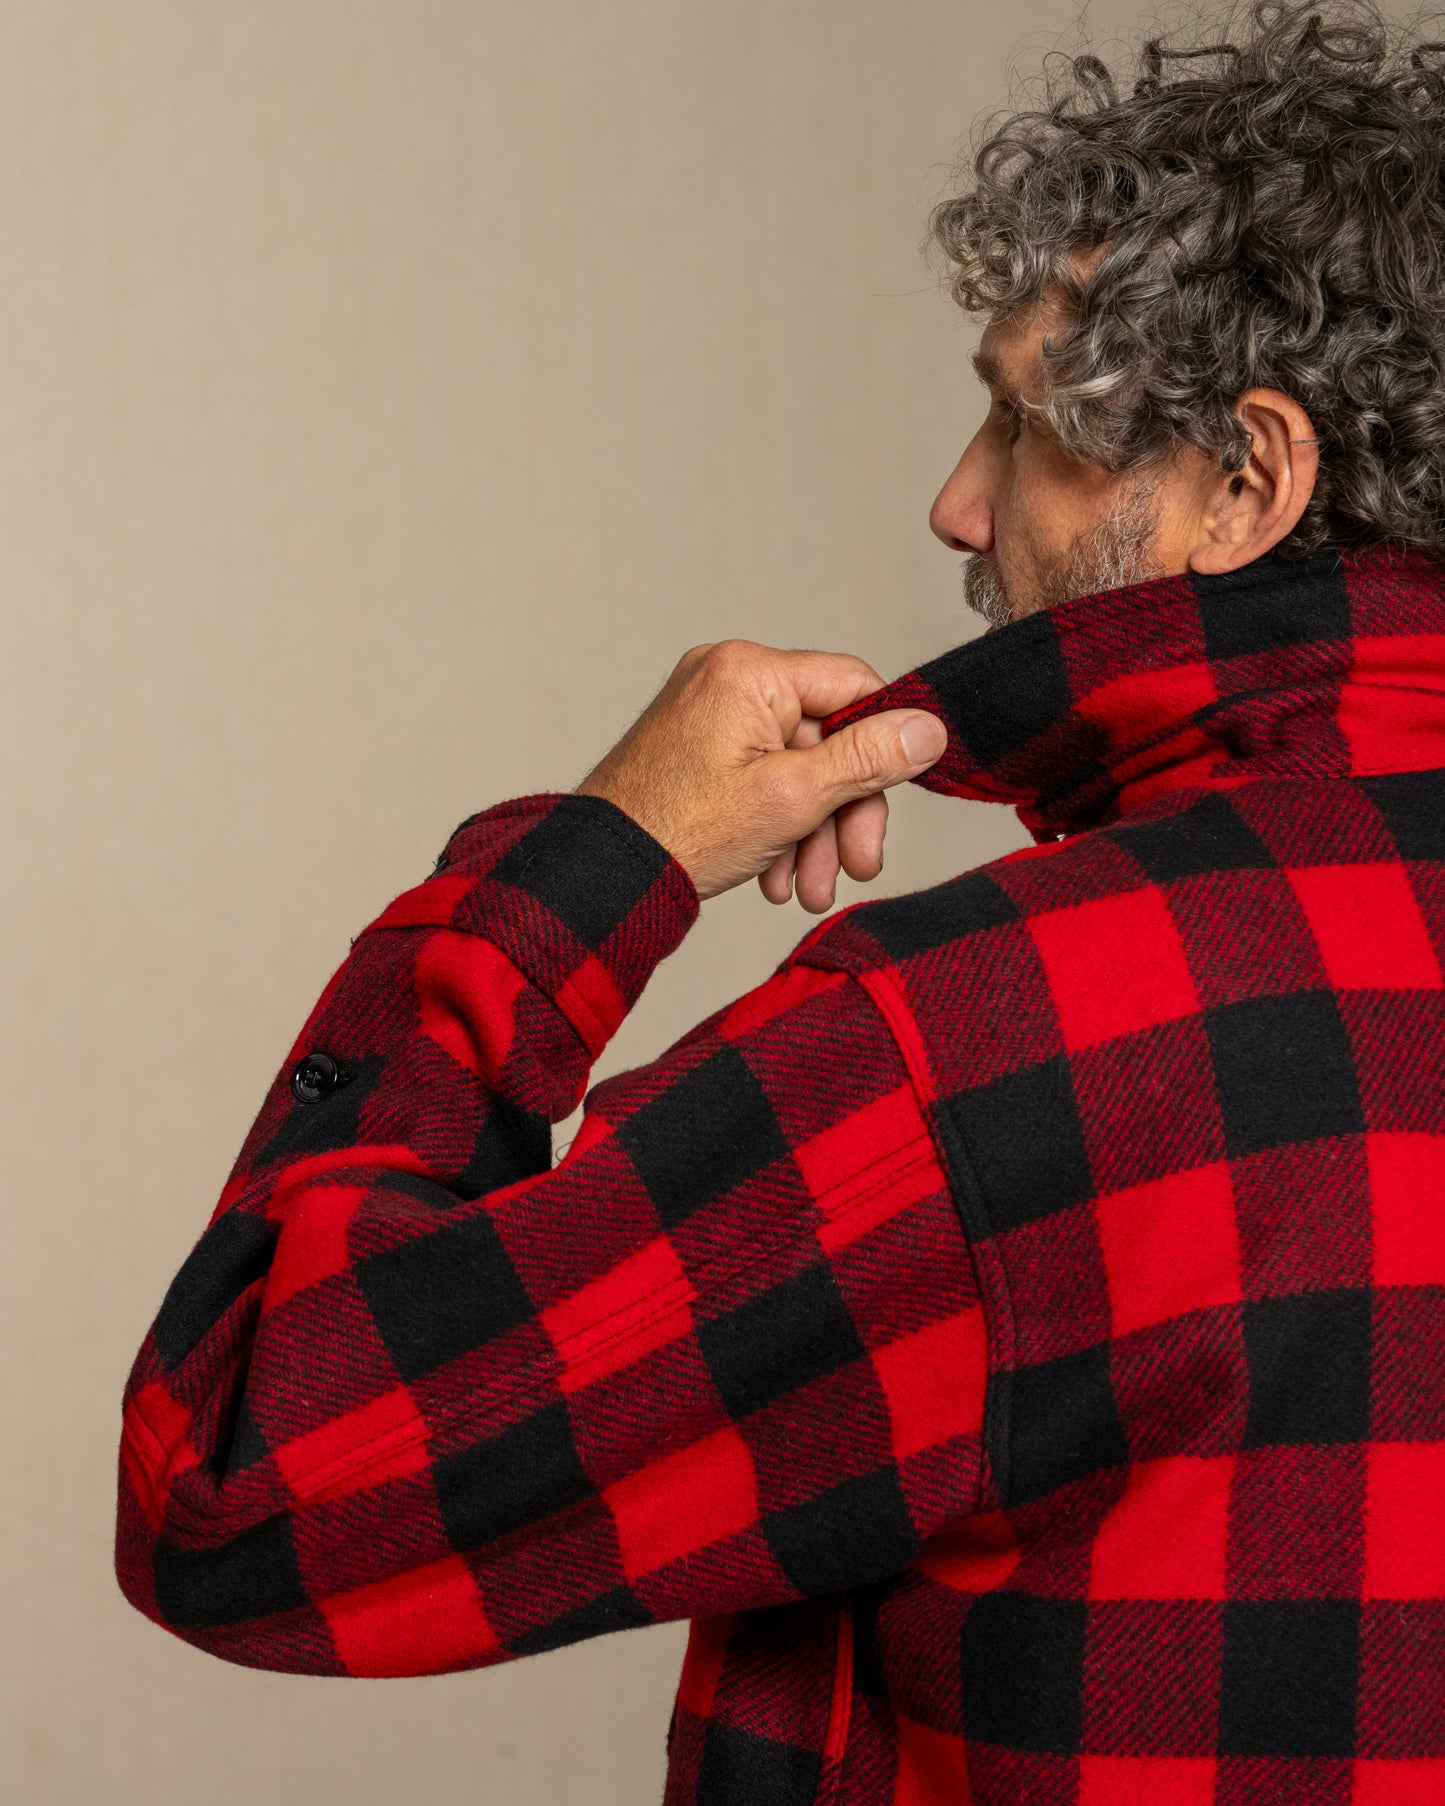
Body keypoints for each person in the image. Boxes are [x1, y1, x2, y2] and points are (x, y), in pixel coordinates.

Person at [116, 3, 1445, 1800]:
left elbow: (248, 1480)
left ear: (1245, 483)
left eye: (1022, 423)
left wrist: (601, 858)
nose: (954, 505)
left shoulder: (998, 1042)